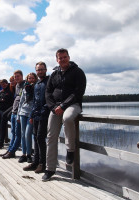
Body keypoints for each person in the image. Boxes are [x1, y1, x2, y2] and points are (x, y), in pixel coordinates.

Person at [43, 48, 86, 181]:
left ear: (69, 57)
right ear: (56, 60)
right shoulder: (54, 74)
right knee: (51, 137)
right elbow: (48, 93)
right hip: (56, 108)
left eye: (64, 57)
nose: (62, 60)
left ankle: (70, 150)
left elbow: (78, 92)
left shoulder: (78, 72)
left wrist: (63, 105)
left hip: (73, 105)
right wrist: (54, 106)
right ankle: (50, 169)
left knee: (67, 118)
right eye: (60, 58)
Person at [23, 62, 50, 173]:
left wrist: (43, 111)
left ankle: (42, 164)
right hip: (35, 116)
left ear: (46, 69)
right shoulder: (37, 84)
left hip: (44, 115)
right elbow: (34, 101)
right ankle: (35, 162)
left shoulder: (49, 82)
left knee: (40, 138)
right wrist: (32, 115)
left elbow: (49, 99)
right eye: (38, 70)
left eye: (41, 69)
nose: (40, 71)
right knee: (36, 138)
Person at [0, 70, 25, 159]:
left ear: (22, 76)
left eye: (18, 76)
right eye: (15, 77)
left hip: (20, 112)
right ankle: (10, 150)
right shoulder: (17, 86)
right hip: (14, 111)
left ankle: (12, 151)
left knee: (18, 134)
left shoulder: (25, 85)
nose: (16, 78)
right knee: (13, 132)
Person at [16, 72, 38, 163]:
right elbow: (20, 103)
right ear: (27, 79)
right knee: (22, 134)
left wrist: (33, 114)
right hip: (22, 113)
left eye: (33, 78)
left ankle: (29, 154)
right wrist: (18, 115)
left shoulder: (37, 88)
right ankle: (24, 154)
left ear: (35, 79)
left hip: (31, 114)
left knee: (28, 134)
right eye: (29, 78)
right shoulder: (25, 88)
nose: (31, 80)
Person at [0, 79, 14, 149]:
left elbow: (9, 100)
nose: (3, 85)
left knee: (9, 127)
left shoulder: (10, 90)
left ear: (7, 83)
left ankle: (4, 143)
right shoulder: (2, 91)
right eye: (2, 84)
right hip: (0, 111)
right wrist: (1, 99)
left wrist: (2, 99)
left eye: (4, 83)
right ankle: (0, 143)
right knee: (0, 127)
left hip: (7, 111)